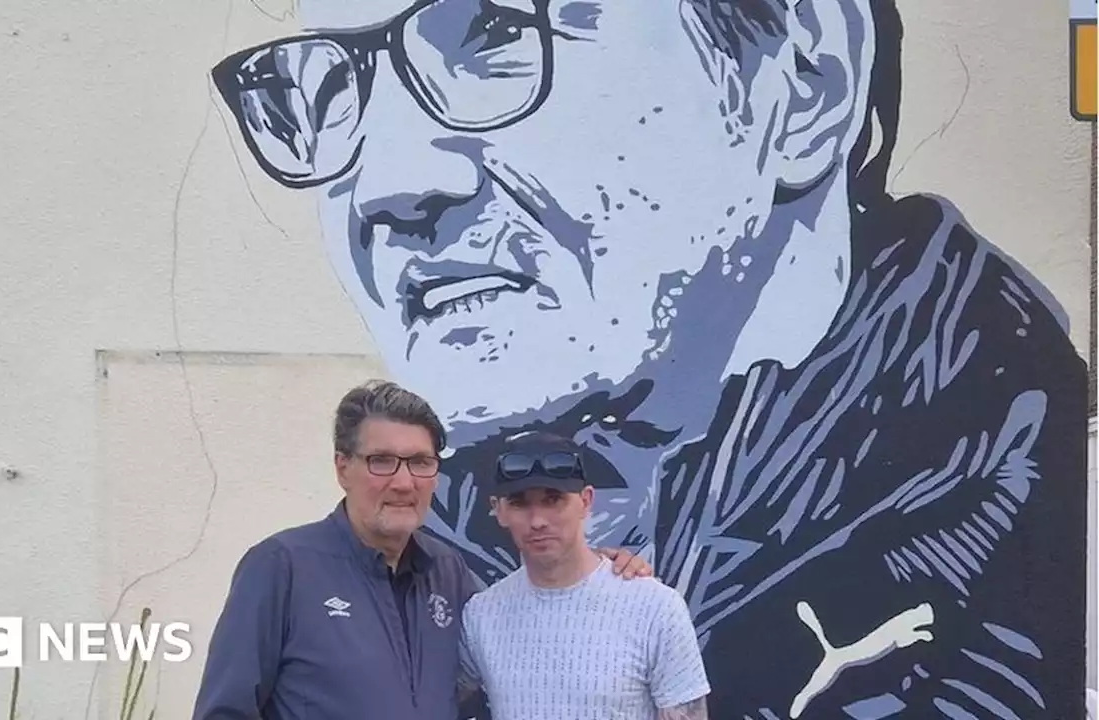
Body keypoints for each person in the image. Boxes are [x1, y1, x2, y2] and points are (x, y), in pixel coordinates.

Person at [210, 1, 1088, 715]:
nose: (390, 184)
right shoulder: (428, 569)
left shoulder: (1045, 522)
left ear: (804, 76)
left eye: (495, 37)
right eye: (325, 89)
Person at [191, 380, 653, 720]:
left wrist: (601, 574)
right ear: (342, 468)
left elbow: (526, 628)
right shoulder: (282, 567)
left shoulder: (447, 572)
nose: (403, 481)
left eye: (420, 462)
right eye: (381, 461)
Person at [459, 431, 711, 720]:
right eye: (519, 503)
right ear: (498, 510)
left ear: (586, 500)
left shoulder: (655, 607)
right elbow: (425, 700)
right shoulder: (481, 615)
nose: (538, 520)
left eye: (553, 500)